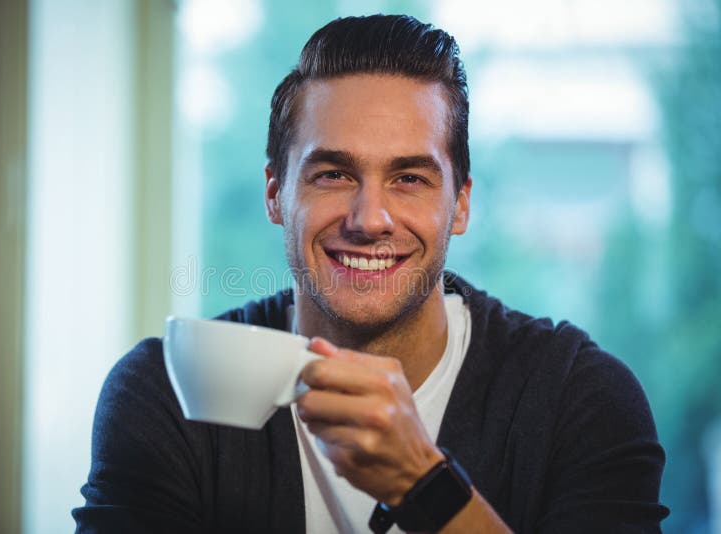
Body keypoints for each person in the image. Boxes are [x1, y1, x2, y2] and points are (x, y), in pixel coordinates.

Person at [73, 14, 668, 533]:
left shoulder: (579, 399)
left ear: (459, 205)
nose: (370, 219)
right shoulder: (168, 394)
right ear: (276, 194)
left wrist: (425, 486)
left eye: (410, 178)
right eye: (332, 174)